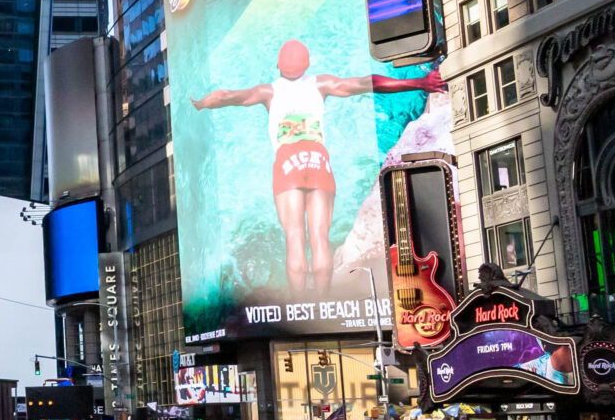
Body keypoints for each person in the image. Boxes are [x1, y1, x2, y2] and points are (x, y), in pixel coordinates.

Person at [191, 41, 447, 300]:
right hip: (317, 159)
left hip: (288, 160)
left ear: (278, 64)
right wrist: (421, 82)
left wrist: (200, 103)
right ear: (307, 64)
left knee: (294, 237)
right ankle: (322, 302)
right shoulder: (321, 84)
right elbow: (368, 82)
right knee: (319, 237)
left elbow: (225, 96)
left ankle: (300, 303)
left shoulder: (267, 91)